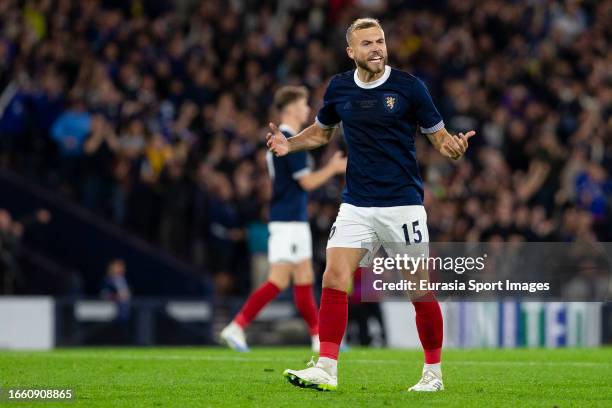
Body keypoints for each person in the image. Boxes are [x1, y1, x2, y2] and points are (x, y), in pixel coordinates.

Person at [268, 18, 475, 392]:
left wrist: (454, 150)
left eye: (380, 41)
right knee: (334, 276)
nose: (377, 48)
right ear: (352, 52)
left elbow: (440, 138)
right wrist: (289, 144)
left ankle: (433, 374)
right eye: (367, 43)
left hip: (403, 206)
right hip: (357, 204)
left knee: (418, 288)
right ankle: (327, 367)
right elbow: (321, 131)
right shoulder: (340, 88)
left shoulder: (409, 88)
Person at [220, 85, 347, 352]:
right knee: (278, 280)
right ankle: (237, 326)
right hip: (288, 221)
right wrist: (333, 168)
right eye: (303, 105)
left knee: (304, 280)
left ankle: (318, 337)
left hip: (292, 220)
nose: (308, 110)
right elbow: (308, 183)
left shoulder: (284, 140)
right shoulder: (290, 142)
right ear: (290, 109)